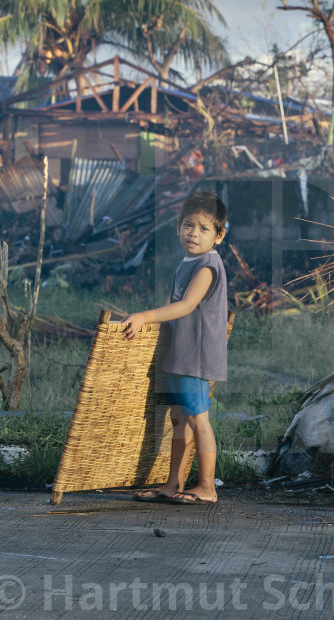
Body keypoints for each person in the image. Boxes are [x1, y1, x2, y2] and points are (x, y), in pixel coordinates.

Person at [123, 191, 228, 505]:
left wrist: (144, 316)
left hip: (194, 357)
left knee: (199, 420)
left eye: (203, 228)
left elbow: (186, 306)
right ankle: (173, 483)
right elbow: (173, 306)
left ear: (219, 236)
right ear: (179, 226)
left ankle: (207, 487)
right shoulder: (188, 262)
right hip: (179, 355)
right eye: (188, 225)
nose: (193, 233)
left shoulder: (208, 264)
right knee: (180, 420)